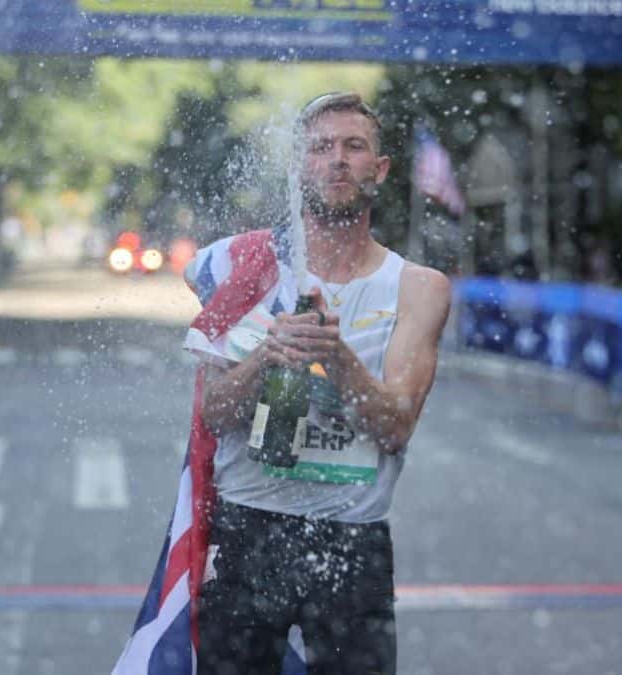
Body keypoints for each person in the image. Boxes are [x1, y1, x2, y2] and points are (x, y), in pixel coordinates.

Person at [185, 92, 451, 674]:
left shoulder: (418, 287)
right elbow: (217, 413)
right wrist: (264, 357)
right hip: (249, 530)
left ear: (378, 170)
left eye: (354, 147)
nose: (337, 160)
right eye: (321, 148)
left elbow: (395, 425)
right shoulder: (251, 270)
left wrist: (337, 356)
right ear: (298, 167)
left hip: (351, 540)